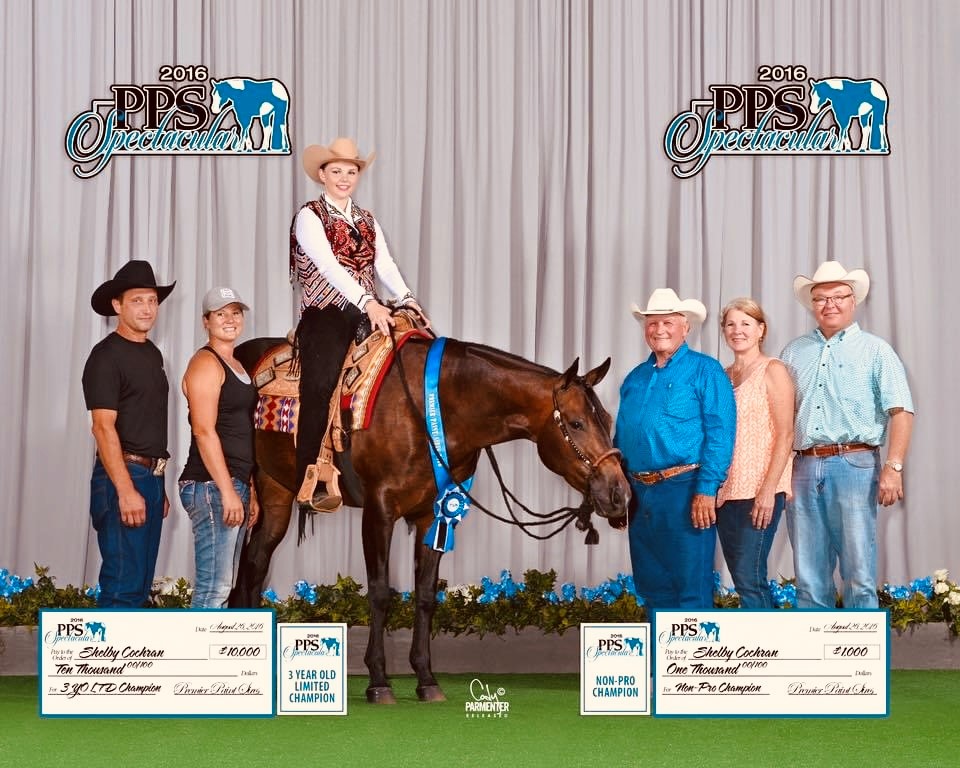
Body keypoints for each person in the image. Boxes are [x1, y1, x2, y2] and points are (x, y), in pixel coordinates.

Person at [291, 137, 428, 511]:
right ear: (322, 174)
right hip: (326, 313)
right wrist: (367, 301)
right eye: (336, 171)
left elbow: (384, 265)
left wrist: (406, 298)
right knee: (320, 385)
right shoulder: (309, 216)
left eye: (350, 172)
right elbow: (328, 266)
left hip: (368, 311)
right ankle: (310, 476)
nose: (343, 178)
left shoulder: (367, 219)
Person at [781, 260, 914, 609]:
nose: (830, 304)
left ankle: (861, 643)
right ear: (812, 304)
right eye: (821, 298)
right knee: (808, 572)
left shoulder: (876, 350)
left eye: (838, 296)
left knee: (858, 569)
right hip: (802, 466)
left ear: (853, 301)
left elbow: (901, 410)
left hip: (855, 463)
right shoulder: (793, 352)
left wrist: (894, 467)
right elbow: (780, 418)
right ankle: (814, 642)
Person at [613, 288, 736, 609]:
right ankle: (659, 642)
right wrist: (618, 490)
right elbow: (621, 437)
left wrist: (706, 489)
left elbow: (721, 433)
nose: (659, 330)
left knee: (691, 585)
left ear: (685, 327)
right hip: (639, 492)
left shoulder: (705, 370)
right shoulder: (635, 378)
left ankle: (692, 643)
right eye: (652, 323)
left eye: (668, 322)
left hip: (684, 488)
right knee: (650, 583)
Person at [82, 260, 175, 607]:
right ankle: (110, 645)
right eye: (137, 301)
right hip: (123, 476)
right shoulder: (105, 356)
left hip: (149, 477)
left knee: (140, 583)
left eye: (152, 300)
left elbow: (145, 420)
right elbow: (102, 427)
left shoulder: (152, 354)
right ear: (117, 305)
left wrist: (156, 484)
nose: (147, 308)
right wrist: (125, 489)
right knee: (123, 586)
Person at [179, 287, 260, 609]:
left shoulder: (235, 364)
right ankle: (198, 644)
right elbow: (203, 430)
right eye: (221, 313)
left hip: (232, 482)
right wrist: (227, 491)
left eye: (235, 312)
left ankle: (210, 645)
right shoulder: (205, 363)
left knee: (224, 587)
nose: (230, 319)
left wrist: (248, 489)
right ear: (206, 321)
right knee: (214, 589)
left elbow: (239, 430)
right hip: (211, 484)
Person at [716, 298, 795, 608]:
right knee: (741, 577)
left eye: (746, 324)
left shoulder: (772, 370)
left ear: (761, 330)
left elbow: (786, 434)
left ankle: (767, 638)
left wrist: (768, 490)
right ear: (724, 331)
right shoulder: (722, 376)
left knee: (750, 577)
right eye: (731, 324)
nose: (738, 330)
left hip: (760, 489)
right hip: (726, 491)